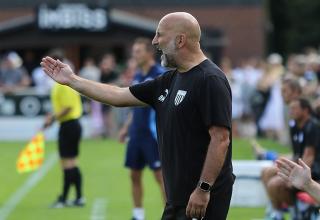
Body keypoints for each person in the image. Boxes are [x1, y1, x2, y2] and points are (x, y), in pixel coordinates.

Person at [41, 12, 234, 219]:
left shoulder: (210, 79)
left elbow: (220, 139)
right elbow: (118, 95)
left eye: (160, 35)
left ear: (180, 40)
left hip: (201, 198)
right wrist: (72, 80)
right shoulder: (169, 80)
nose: (154, 41)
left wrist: (203, 189)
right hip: (178, 199)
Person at [118, 37, 166, 220]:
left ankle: (169, 214)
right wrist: (126, 128)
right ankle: (138, 215)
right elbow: (134, 104)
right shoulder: (137, 75)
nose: (134, 55)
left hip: (152, 136)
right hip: (136, 134)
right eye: (134, 51)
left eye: (138, 51)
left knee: (160, 177)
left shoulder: (160, 74)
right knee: (134, 175)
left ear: (149, 53)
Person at [261, 98, 320, 220]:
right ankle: (277, 214)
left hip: (314, 171)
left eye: (294, 108)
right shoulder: (294, 126)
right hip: (303, 167)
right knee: (266, 172)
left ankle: (296, 214)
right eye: (290, 108)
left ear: (305, 110)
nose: (290, 111)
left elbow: (309, 156)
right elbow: (296, 154)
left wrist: (295, 177)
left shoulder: (312, 126)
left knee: (275, 184)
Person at [43, 52, 85, 208]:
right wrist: (52, 116)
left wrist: (52, 118)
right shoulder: (62, 82)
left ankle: (64, 199)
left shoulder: (63, 83)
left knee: (67, 163)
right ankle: (78, 197)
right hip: (71, 125)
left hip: (69, 125)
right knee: (71, 163)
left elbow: (67, 108)